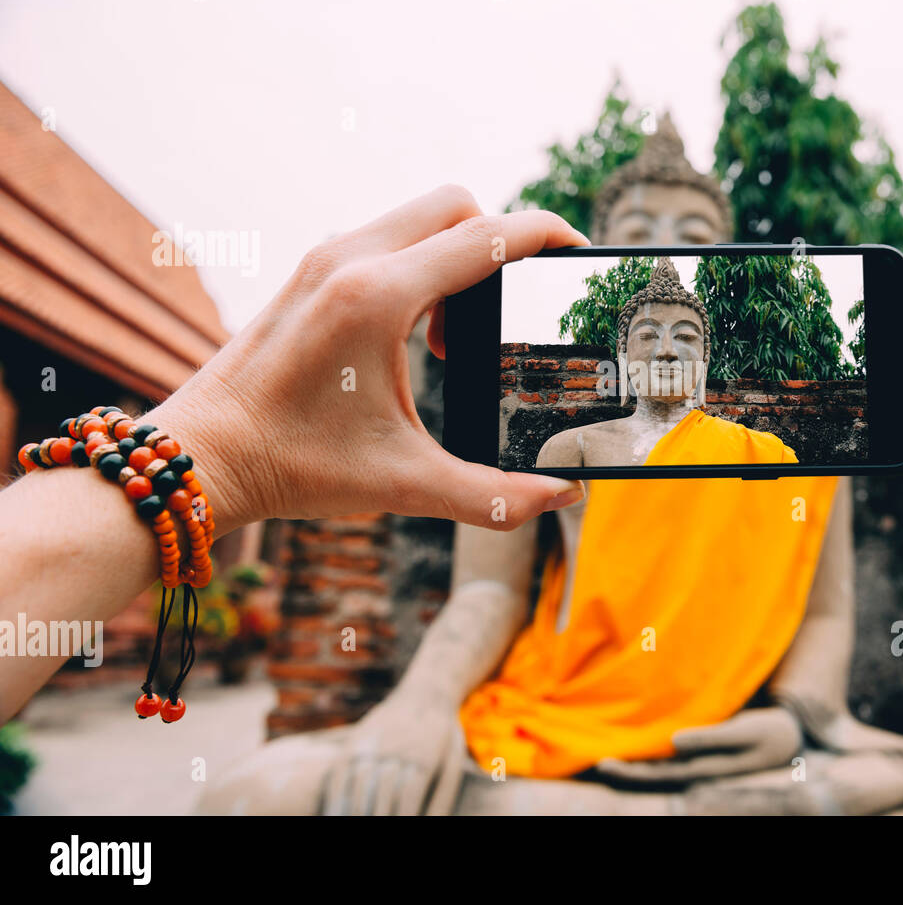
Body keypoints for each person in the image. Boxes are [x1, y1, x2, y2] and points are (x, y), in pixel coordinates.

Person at [0, 186, 588, 723]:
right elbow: (487, 594)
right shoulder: (565, 437)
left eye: (684, 226)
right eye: (637, 225)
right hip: (552, 704)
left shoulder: (675, 427)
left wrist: (216, 453)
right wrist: (418, 714)